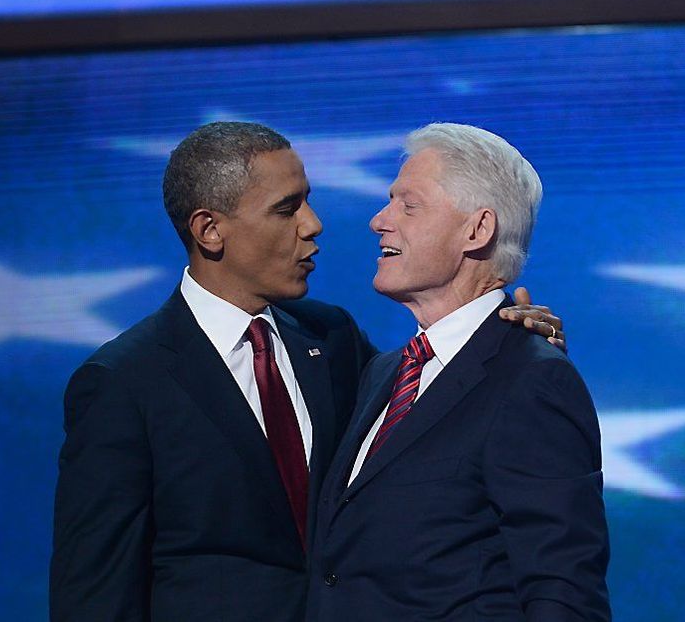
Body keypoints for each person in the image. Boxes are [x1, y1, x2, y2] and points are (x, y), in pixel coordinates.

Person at [49, 122, 566, 621]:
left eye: (307, 200)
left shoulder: (332, 340)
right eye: (285, 209)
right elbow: (95, 593)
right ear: (210, 230)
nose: (313, 224)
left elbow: (436, 420)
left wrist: (509, 349)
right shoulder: (124, 382)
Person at [308, 123, 611, 621]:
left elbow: (563, 590)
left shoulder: (533, 379)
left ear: (478, 230)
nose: (378, 221)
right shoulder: (384, 373)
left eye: (409, 205)